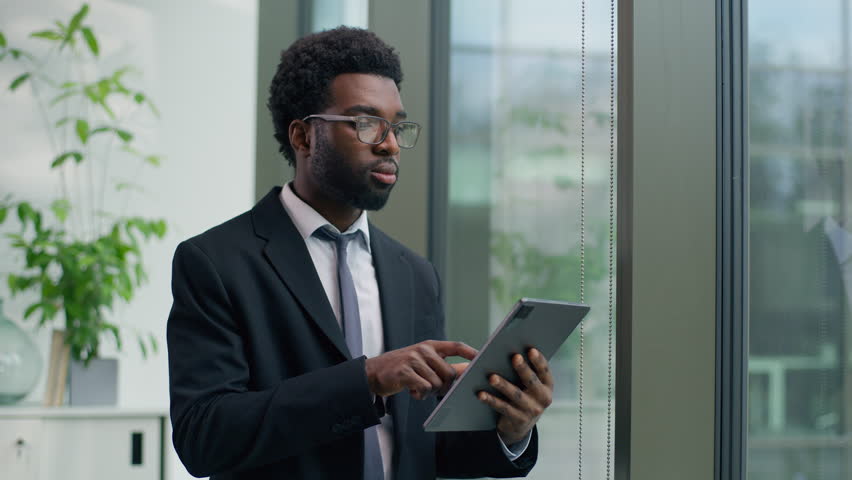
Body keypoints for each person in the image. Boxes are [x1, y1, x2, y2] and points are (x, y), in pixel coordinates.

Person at [167, 26, 554, 480]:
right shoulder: (216, 262)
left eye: (397, 126)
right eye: (366, 123)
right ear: (303, 137)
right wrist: (366, 379)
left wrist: (511, 429)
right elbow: (203, 438)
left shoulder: (415, 274)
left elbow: (425, 449)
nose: (389, 144)